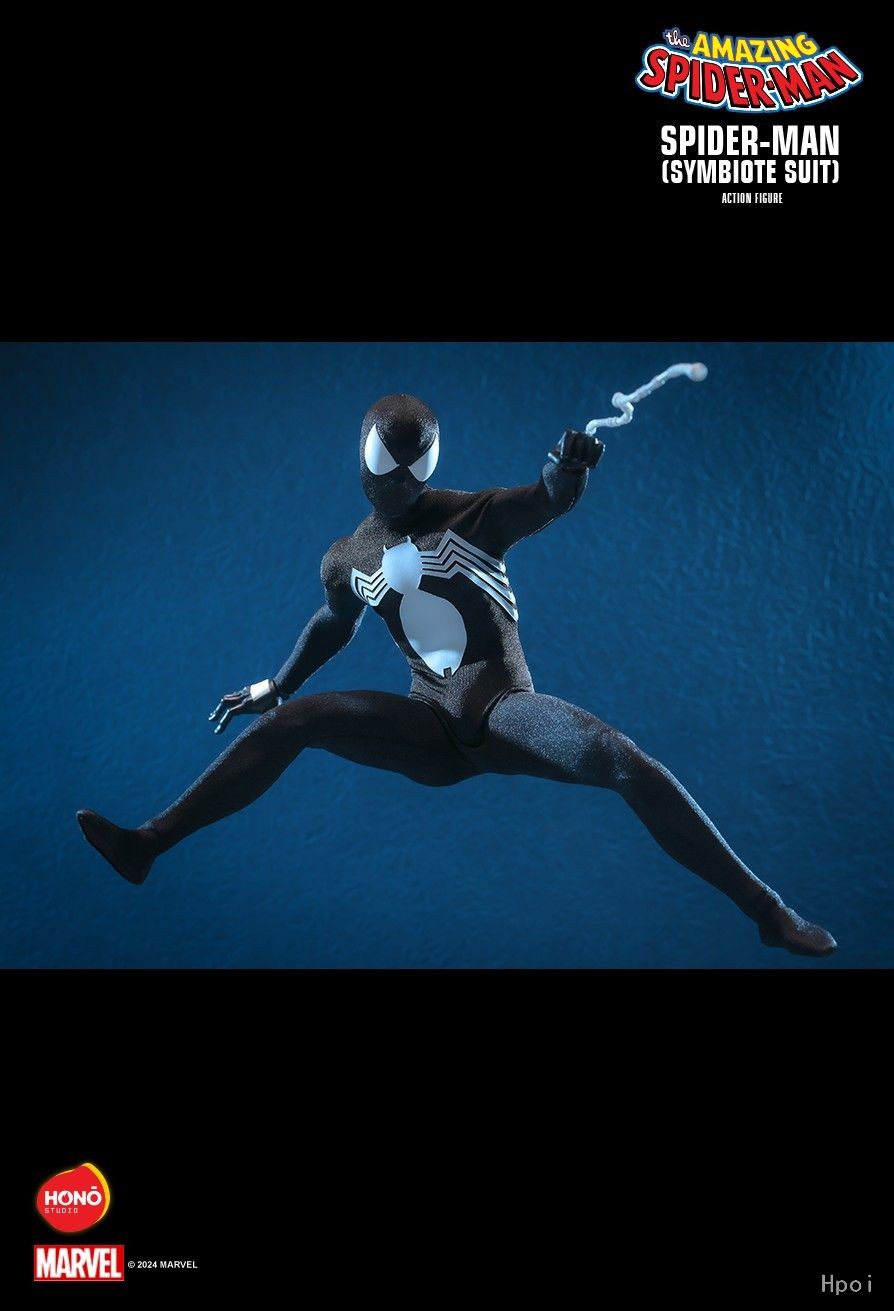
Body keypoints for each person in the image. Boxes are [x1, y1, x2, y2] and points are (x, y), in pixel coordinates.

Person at [77, 392, 837, 957]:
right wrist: (277, 685)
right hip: (427, 728)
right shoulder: (346, 557)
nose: (400, 485)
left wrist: (566, 468)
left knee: (618, 758)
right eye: (387, 466)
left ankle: (766, 911)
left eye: (416, 469)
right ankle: (147, 843)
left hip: (503, 712)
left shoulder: (474, 516)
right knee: (294, 724)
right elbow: (334, 622)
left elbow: (545, 498)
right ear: (363, 460)